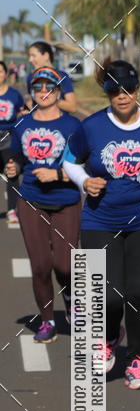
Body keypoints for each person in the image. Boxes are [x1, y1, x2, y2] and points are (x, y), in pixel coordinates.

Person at [63, 59, 140, 389]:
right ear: (106, 93)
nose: (121, 96)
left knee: (137, 294)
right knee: (110, 295)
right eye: (113, 90)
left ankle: (137, 360)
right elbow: (68, 160)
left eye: (127, 89)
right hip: (100, 220)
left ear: (137, 89)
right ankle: (109, 336)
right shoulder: (92, 126)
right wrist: (84, 182)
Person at [5, 66, 82, 342]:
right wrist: (13, 168)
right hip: (31, 201)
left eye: (49, 87)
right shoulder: (22, 125)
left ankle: (72, 299)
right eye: (38, 87)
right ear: (31, 92)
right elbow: (15, 157)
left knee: (65, 265)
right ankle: (47, 320)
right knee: (40, 265)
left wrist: (58, 174)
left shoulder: (73, 126)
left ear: (58, 90)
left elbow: (83, 165)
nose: (43, 92)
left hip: (66, 200)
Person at [0, 59, 27, 226]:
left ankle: (12, 210)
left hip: (8, 137)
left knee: (12, 170)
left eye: (1, 72)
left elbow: (22, 111)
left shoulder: (14, 94)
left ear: (5, 74)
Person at [26, 41, 77, 114]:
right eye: (29, 56)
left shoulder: (62, 76)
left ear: (46, 55)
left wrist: (49, 99)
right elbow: (33, 106)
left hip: (59, 124)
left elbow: (72, 107)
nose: (30, 60)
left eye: (33, 56)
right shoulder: (30, 77)